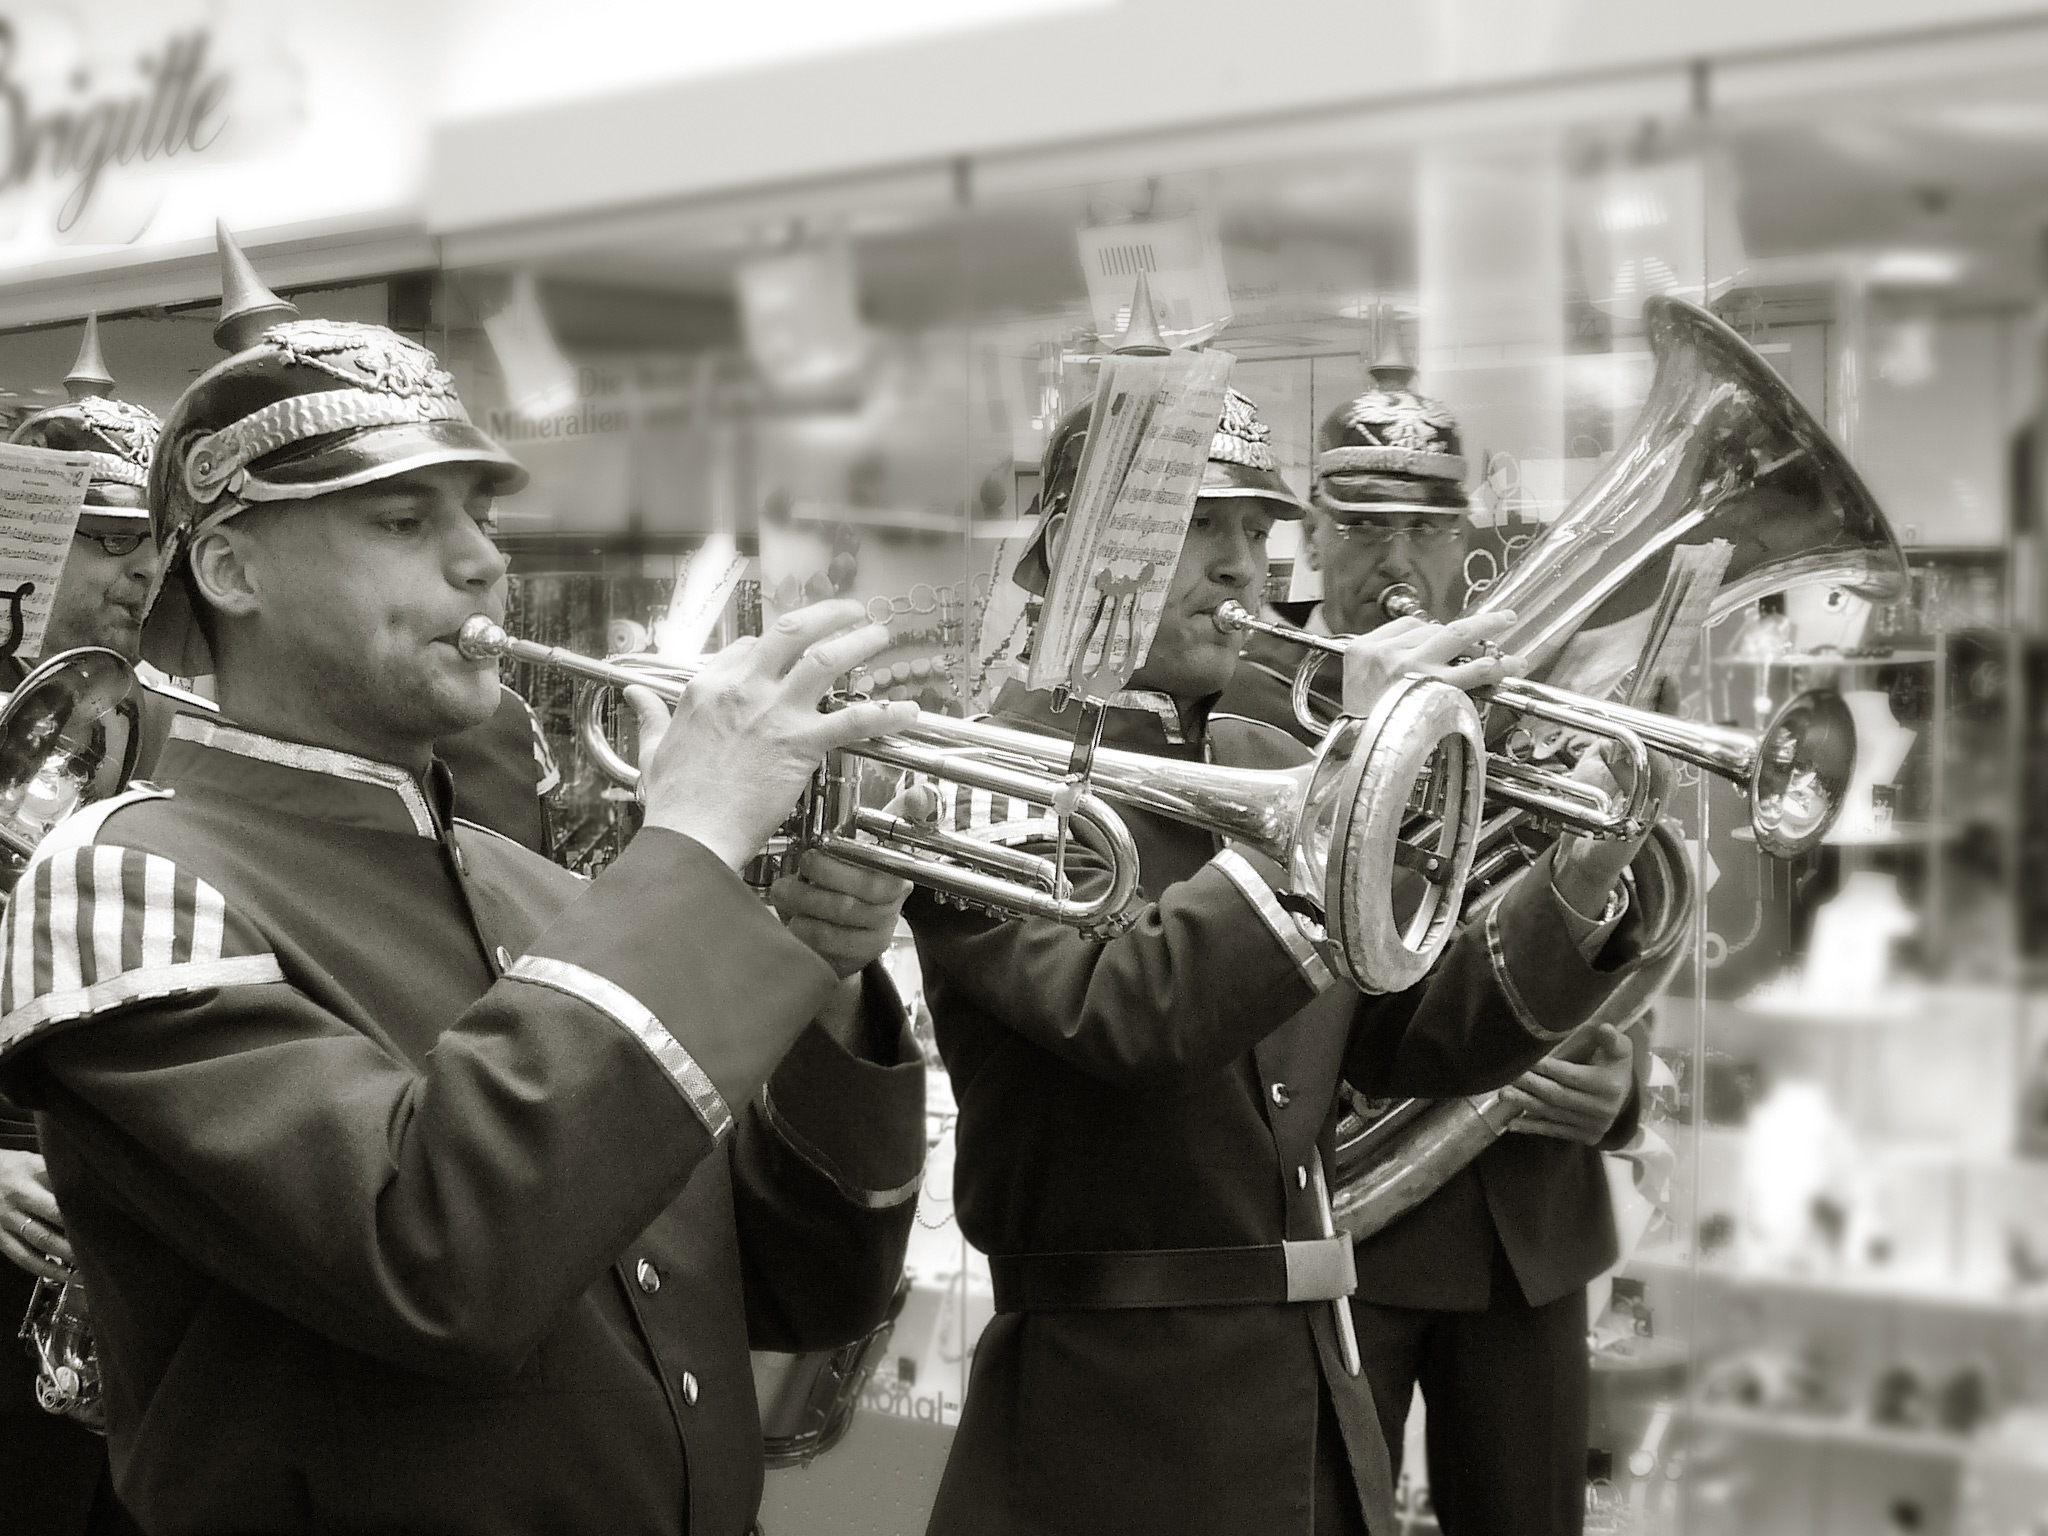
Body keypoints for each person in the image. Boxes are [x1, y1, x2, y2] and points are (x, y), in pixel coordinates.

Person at [0, 272, 927, 1533]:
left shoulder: (544, 891)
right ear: (228, 566)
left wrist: (827, 980)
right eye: (401, 521)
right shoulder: (129, 879)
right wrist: (693, 843)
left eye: (482, 517)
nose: (484, 561)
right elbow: (440, 1257)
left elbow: (804, 1287)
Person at [904, 383, 1669, 1536]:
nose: (1240, 564)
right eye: (1193, 524)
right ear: (1071, 540)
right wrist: (1351, 775)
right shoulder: (981, 774)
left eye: (1254, 529)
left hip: (1311, 1409)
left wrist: (1576, 880)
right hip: (1112, 1425)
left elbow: (1405, 1033)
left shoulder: (1256, 761)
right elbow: (1133, 1013)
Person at [1215, 356, 1654, 1536]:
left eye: (1423, 528)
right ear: (1313, 535)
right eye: (1362, 528)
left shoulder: (1534, 688)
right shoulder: (1251, 697)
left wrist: (1619, 1090)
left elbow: (1636, 893)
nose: (1393, 561)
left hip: (1526, 1225)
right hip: (1340, 1221)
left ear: (1467, 536)